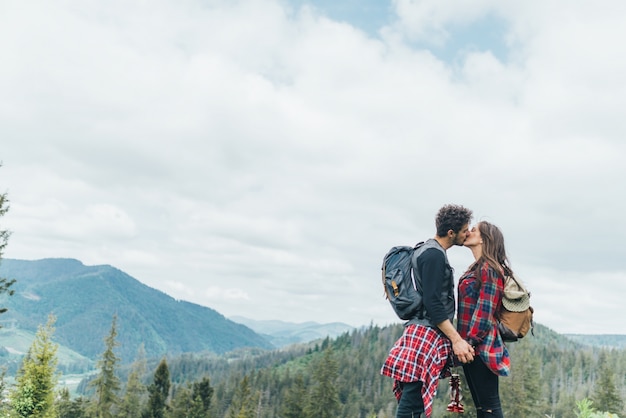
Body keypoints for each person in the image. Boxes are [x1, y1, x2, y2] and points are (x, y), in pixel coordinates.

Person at [381, 204, 476, 418]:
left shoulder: (426, 249)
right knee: (413, 396)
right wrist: (456, 339)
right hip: (426, 333)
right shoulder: (434, 255)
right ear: (451, 233)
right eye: (464, 230)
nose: (467, 234)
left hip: (419, 331)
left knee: (413, 396)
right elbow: (433, 302)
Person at [457, 221, 512, 418]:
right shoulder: (476, 268)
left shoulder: (489, 269)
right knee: (482, 408)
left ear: (483, 239)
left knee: (489, 407)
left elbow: (485, 311)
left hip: (481, 348)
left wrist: (468, 343)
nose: (468, 232)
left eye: (473, 230)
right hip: (471, 348)